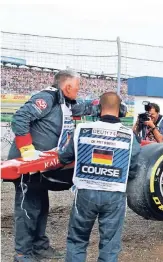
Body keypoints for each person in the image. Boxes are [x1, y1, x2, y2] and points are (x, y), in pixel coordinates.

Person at [8, 69, 94, 262]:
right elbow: (20, 118)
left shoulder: (66, 102)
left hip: (43, 166)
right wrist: (27, 150)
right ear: (68, 86)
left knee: (41, 206)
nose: (79, 91)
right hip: (27, 165)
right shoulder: (46, 99)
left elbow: (85, 107)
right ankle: (22, 254)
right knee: (28, 208)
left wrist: (104, 105)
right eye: (78, 87)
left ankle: (39, 246)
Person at [58, 91, 141, 262]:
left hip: (85, 193)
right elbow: (133, 169)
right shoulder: (130, 136)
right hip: (115, 195)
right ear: (122, 111)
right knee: (110, 246)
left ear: (97, 109)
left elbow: (64, 157)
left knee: (77, 241)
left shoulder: (82, 129)